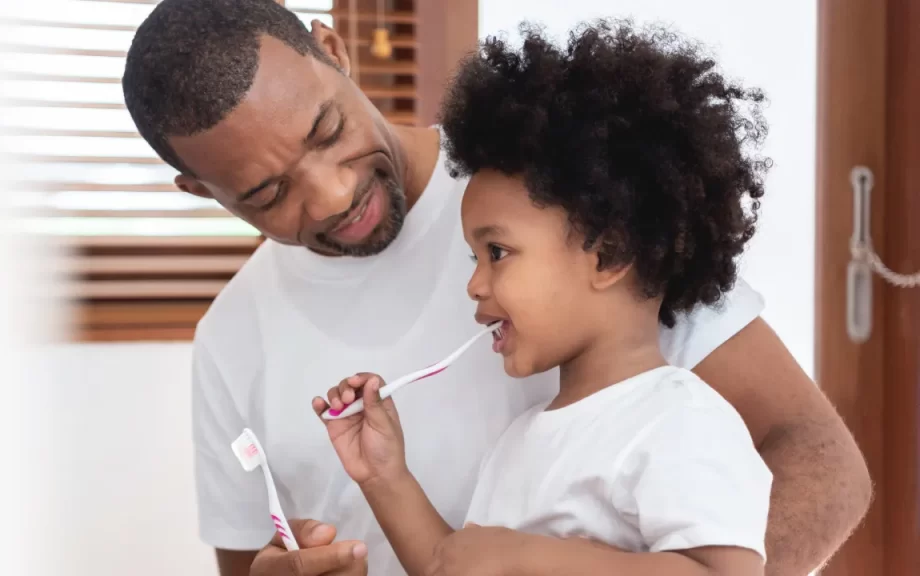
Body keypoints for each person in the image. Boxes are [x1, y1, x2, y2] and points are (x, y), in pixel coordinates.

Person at [120, 1, 871, 575]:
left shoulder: (560, 188)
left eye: (325, 132)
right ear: (198, 189)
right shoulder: (229, 341)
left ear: (335, 49)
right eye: (266, 191)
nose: (332, 196)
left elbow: (821, 461)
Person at [316, 21, 774, 576]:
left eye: (498, 252)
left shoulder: (680, 419)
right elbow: (457, 567)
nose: (474, 284)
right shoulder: (520, 441)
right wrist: (385, 478)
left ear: (607, 257)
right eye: (473, 258)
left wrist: (527, 559)